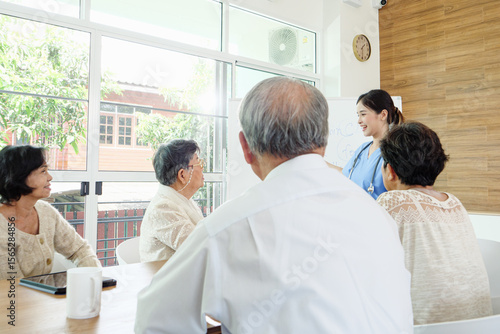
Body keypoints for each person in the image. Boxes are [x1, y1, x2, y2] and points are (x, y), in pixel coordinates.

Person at [135, 77, 413, 333]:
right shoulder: (379, 216)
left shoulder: (228, 228)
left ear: (245, 148)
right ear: (323, 144)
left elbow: (152, 321)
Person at [377, 122, 492, 325]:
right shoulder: (454, 203)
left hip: (426, 327)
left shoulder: (392, 202)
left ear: (391, 171)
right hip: (481, 324)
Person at [0, 145, 100, 280]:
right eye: (43, 171)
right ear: (19, 176)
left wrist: (93, 281)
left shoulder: (45, 211)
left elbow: (79, 250)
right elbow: (13, 289)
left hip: (45, 298)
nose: (50, 177)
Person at [139, 139, 205, 262]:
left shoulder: (184, 200)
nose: (202, 167)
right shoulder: (162, 208)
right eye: (199, 162)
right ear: (182, 175)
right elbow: (200, 247)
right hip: (167, 279)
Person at [334, 89, 404, 199]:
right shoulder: (363, 149)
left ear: (383, 114)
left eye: (363, 114)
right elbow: (345, 174)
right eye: (358, 115)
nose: (359, 121)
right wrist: (316, 158)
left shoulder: (396, 152)